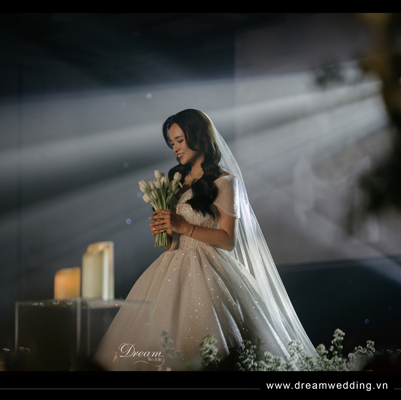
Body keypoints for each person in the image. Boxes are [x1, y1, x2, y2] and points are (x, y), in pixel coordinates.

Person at [93, 109, 317, 371]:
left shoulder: (225, 182)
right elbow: (169, 244)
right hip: (170, 268)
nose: (175, 148)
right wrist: (163, 231)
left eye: (180, 140)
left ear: (198, 137)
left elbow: (228, 240)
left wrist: (183, 226)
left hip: (210, 269)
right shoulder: (175, 182)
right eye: (172, 143)